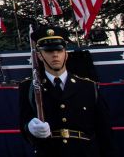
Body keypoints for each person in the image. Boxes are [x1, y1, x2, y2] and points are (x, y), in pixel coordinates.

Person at [18, 25, 116, 156]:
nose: (55, 55)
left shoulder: (88, 87)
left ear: (66, 54)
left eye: (59, 50)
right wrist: (29, 127)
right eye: (48, 51)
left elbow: (104, 131)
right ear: (40, 56)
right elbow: (24, 121)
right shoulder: (29, 87)